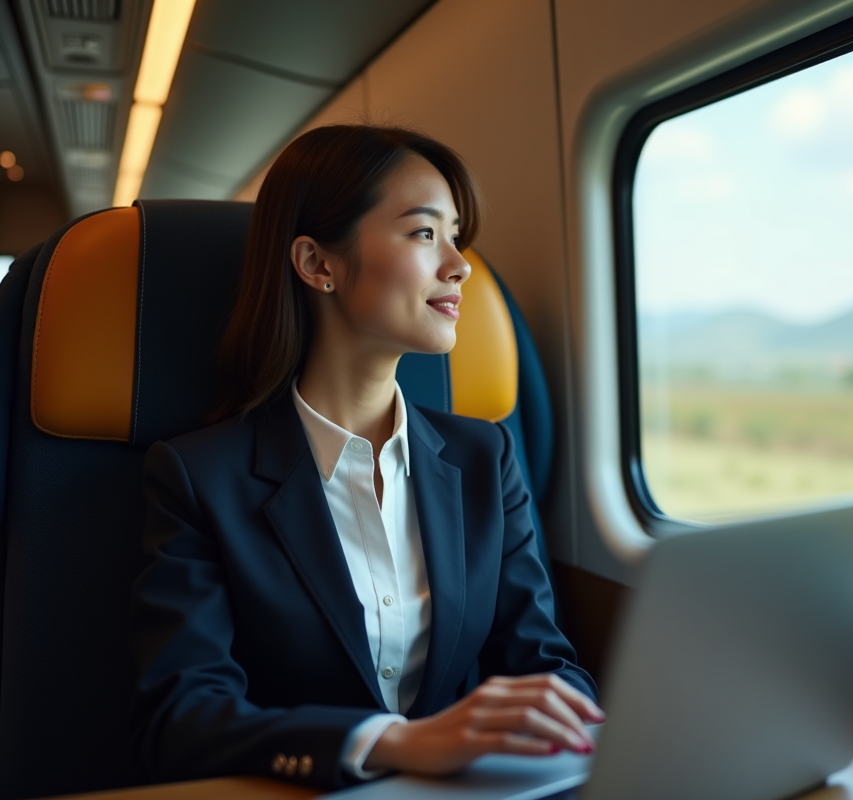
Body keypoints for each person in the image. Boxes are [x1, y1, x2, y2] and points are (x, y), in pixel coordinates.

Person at [129, 125, 602, 791]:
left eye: (456, 234)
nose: (460, 264)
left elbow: (543, 662)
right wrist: (395, 743)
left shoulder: (483, 457)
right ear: (318, 264)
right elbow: (182, 722)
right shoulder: (198, 478)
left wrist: (580, 719)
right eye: (423, 232)